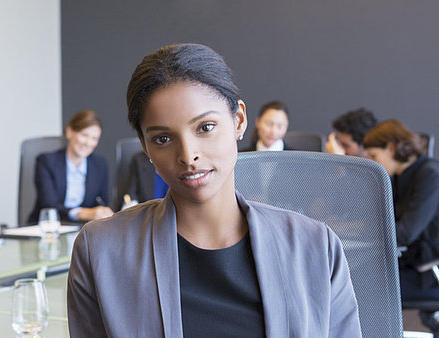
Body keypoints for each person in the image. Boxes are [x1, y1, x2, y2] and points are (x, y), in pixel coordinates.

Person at [67, 43, 361, 337]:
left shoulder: (314, 246)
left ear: (239, 121)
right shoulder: (101, 251)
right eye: (163, 138)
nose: (188, 155)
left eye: (205, 127)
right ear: (145, 146)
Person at [363, 120, 439, 331]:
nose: (372, 161)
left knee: (360, 288)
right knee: (353, 279)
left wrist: (365, 237)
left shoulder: (429, 175)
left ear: (390, 147)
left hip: (427, 273)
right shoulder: (398, 177)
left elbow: (405, 232)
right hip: (408, 264)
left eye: (374, 155)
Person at [27, 110, 113, 223]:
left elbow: (102, 202)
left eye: (94, 138)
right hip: (49, 227)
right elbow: (49, 204)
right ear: (69, 131)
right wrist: (82, 213)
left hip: (84, 230)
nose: (88, 143)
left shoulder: (100, 165)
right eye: (84, 135)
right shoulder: (46, 161)